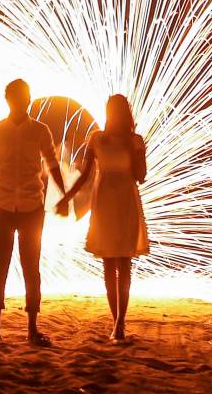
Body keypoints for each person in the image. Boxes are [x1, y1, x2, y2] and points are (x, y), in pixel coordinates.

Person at [0, 77, 66, 346]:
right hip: (4, 203)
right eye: (15, 97)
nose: (19, 102)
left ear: (27, 100)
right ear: (9, 100)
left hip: (30, 207)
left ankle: (31, 328)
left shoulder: (40, 131)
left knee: (31, 268)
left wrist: (62, 194)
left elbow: (52, 164)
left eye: (22, 97)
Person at [56, 94, 149, 342]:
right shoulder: (97, 138)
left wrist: (136, 152)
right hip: (105, 202)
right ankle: (116, 320)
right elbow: (86, 173)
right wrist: (68, 196)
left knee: (123, 263)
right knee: (110, 263)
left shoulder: (135, 140)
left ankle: (120, 322)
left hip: (125, 202)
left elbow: (142, 176)